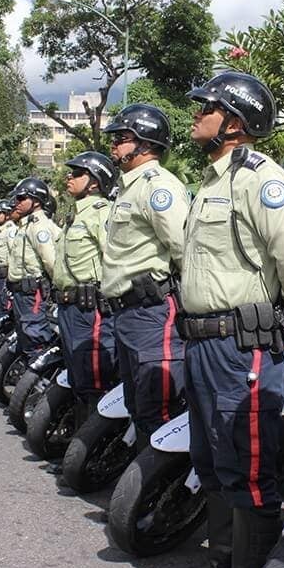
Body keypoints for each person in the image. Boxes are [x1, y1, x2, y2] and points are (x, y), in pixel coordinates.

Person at [179, 72, 284, 568]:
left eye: (207, 107)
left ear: (235, 122)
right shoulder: (211, 182)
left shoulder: (260, 178)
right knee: (210, 459)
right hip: (201, 345)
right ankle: (224, 560)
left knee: (247, 467)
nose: (196, 114)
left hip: (240, 346)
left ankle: (249, 565)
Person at [101, 104, 190, 445]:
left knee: (158, 410)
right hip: (127, 313)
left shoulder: (158, 187)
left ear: (146, 143)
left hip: (152, 312)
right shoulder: (127, 188)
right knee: (138, 407)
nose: (114, 145)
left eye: (122, 138)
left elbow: (184, 248)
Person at [53, 152, 118, 423]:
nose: (70, 177)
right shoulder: (75, 215)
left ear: (94, 182)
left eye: (78, 173)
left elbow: (113, 258)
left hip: (90, 309)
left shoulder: (101, 213)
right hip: (68, 307)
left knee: (94, 379)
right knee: (77, 377)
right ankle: (79, 436)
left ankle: (92, 441)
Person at [7, 177, 61, 358]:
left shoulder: (39, 227)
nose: (17, 202)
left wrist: (57, 286)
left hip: (32, 291)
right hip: (21, 291)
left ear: (36, 201)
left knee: (34, 335)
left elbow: (50, 261)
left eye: (22, 198)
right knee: (24, 333)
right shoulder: (27, 224)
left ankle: (37, 368)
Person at [0, 199, 17, 317]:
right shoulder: (0, 231)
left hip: (5, 275)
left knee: (3, 305)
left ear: (6, 215)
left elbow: (13, 252)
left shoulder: (11, 230)